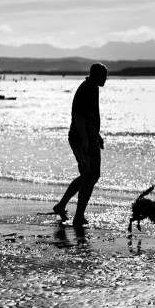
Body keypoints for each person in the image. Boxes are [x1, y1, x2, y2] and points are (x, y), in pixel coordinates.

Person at [53, 63, 108, 227]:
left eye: (106, 75)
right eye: (102, 75)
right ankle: (78, 217)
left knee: (87, 175)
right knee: (91, 175)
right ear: (93, 75)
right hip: (81, 139)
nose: (105, 79)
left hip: (87, 137)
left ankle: (61, 206)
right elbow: (78, 115)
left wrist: (96, 135)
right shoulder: (87, 88)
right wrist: (85, 139)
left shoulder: (92, 87)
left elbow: (89, 115)